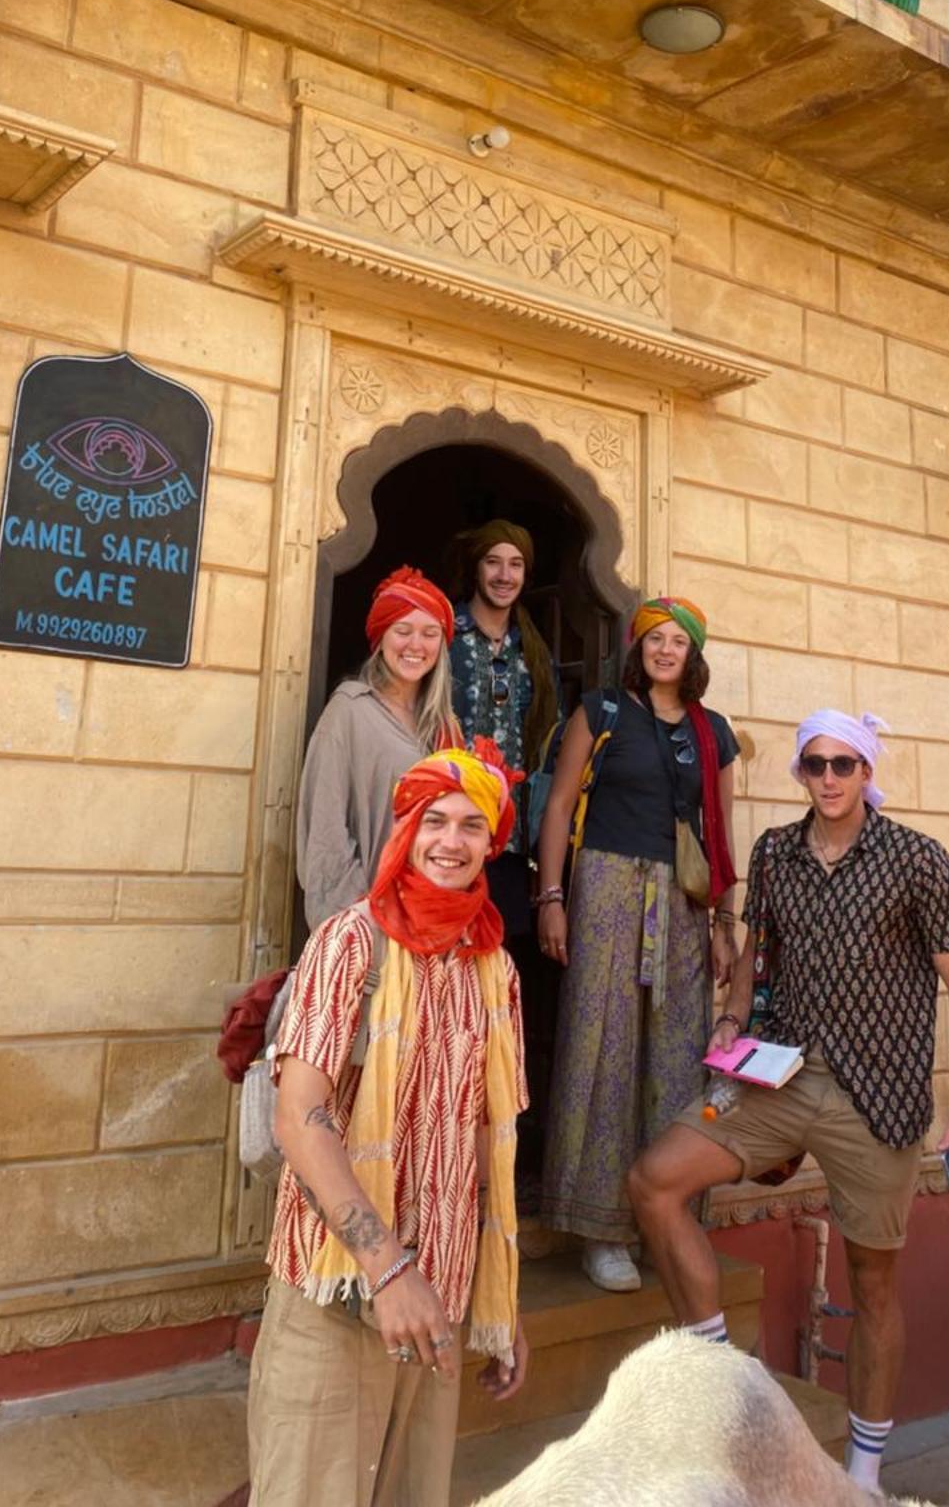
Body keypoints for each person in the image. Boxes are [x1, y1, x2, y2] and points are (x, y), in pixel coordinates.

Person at [627, 707, 949, 1497]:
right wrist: (730, 1022)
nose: (828, 778)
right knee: (656, 1181)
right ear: (800, 772)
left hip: (880, 1096)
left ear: (867, 773)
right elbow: (758, 953)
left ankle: (863, 1476)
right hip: (782, 1077)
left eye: (844, 765)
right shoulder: (776, 854)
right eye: (815, 764)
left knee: (873, 1285)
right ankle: (726, 1378)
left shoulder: (916, 860)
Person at [248, 741, 531, 1507]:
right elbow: (299, 1117)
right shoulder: (352, 943)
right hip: (338, 1294)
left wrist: (501, 1301)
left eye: (473, 826)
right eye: (434, 820)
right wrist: (388, 1268)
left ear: (492, 842)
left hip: (436, 1302)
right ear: (405, 830)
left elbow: (483, 1136)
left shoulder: (494, 970)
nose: (451, 841)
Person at [536, 596, 740, 1293]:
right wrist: (552, 897)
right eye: (653, 639)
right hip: (604, 889)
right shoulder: (603, 711)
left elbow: (720, 835)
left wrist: (724, 924)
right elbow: (561, 804)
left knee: (677, 1055)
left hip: (683, 905)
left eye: (676, 641)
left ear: (693, 653)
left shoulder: (714, 734)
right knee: (604, 1047)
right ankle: (602, 1230)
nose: (663, 650)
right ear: (638, 648)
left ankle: (666, 1214)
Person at [296, 567, 460, 931]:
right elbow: (327, 832)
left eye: (430, 633)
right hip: (371, 921)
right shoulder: (349, 711)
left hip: (432, 923)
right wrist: (361, 922)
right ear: (380, 638)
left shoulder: (445, 727)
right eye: (402, 631)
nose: (416, 645)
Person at [446, 518, 559, 943]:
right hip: (447, 830)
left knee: (499, 958)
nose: (504, 575)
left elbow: (550, 745)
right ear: (476, 568)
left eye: (515, 564)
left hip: (511, 843)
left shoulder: (532, 650)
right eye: (493, 562)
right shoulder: (443, 635)